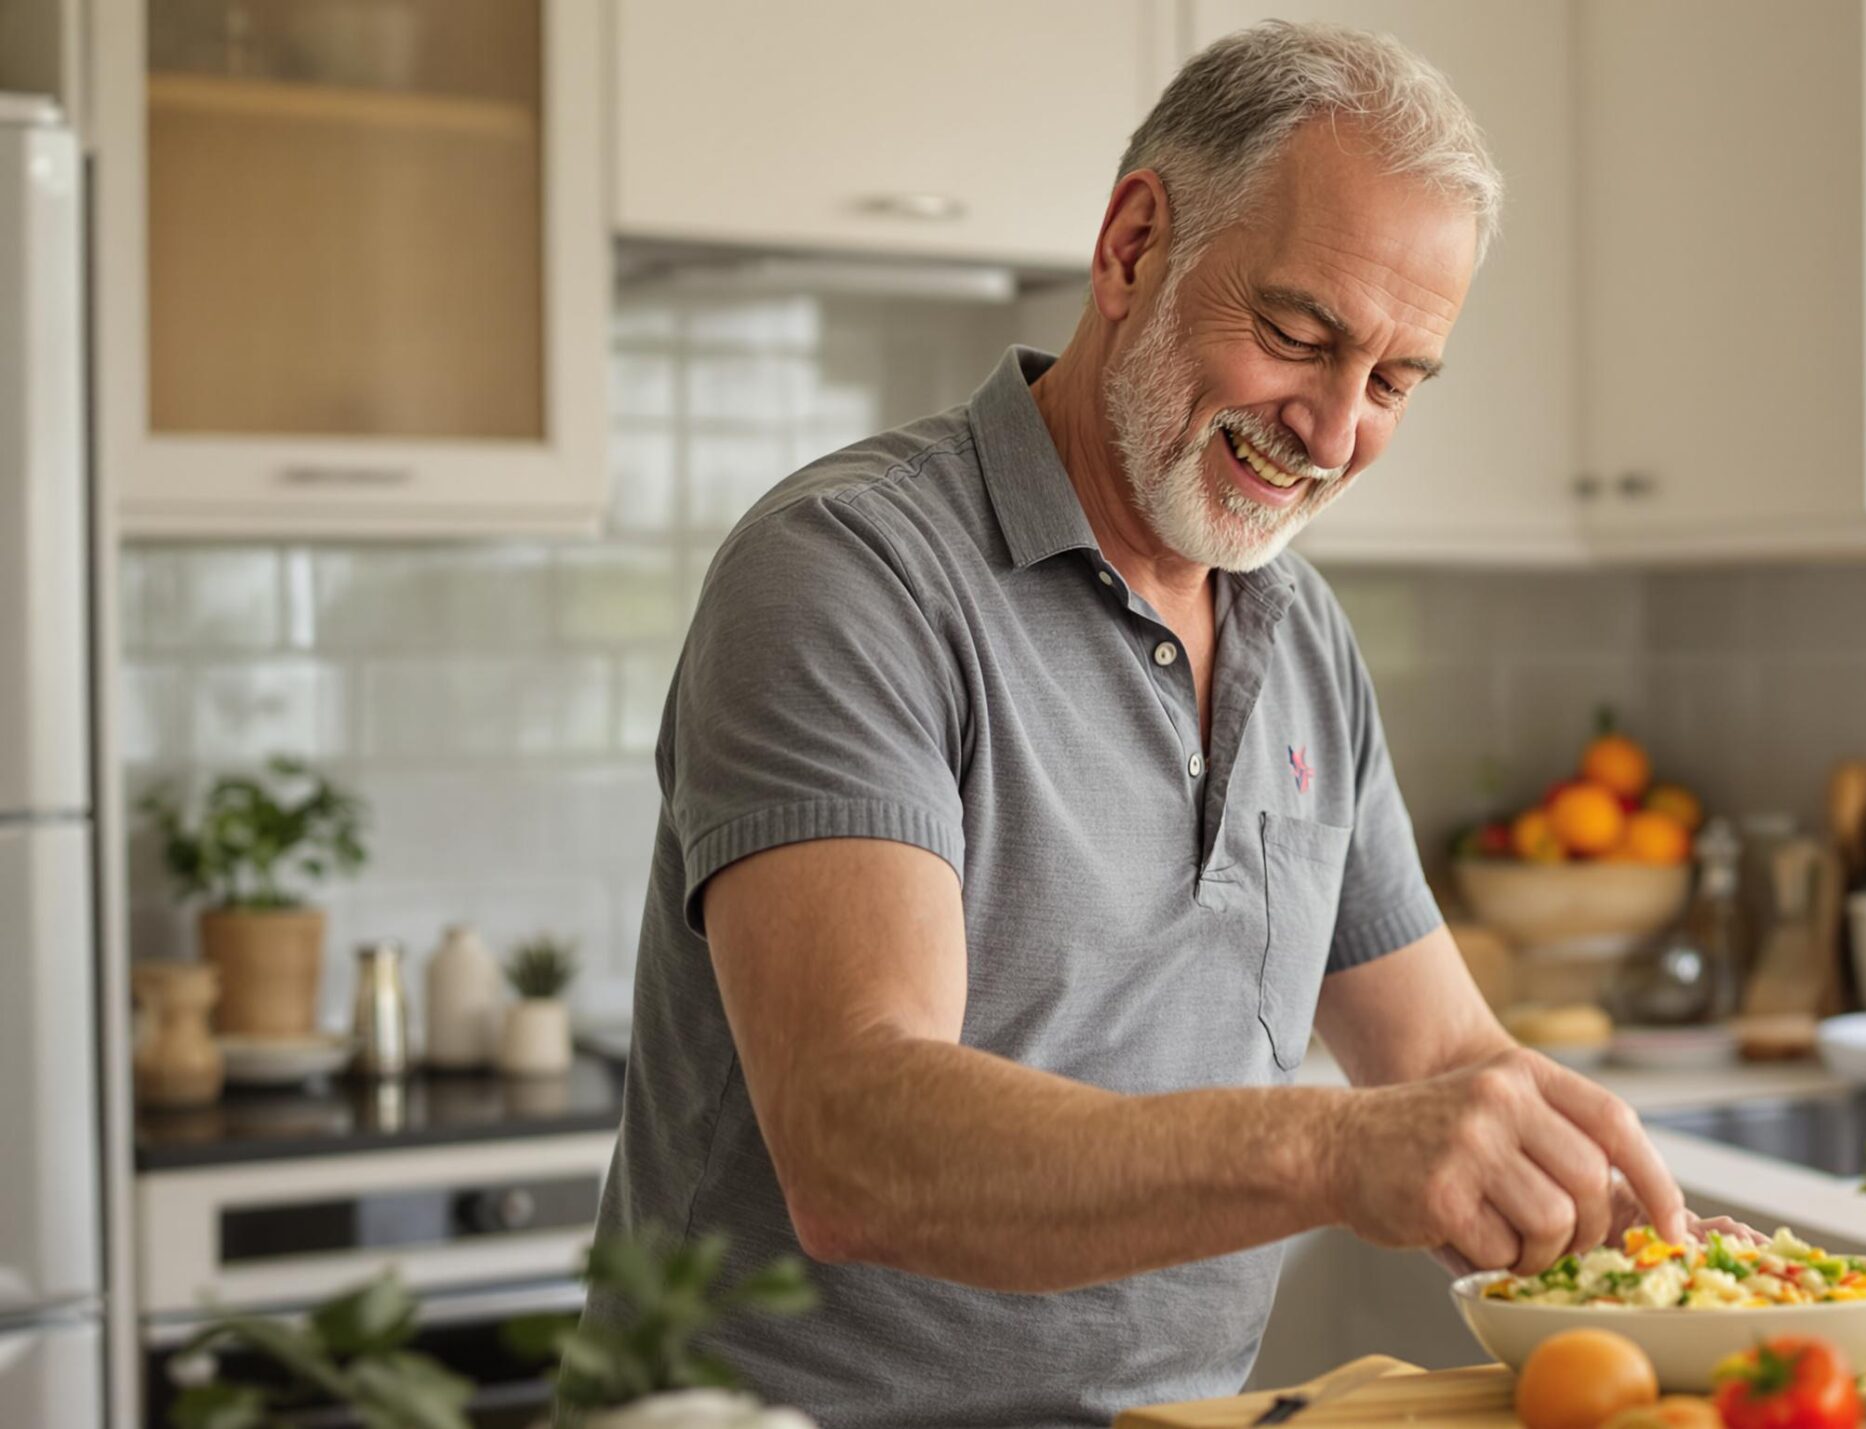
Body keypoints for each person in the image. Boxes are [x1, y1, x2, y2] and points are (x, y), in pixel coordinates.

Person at [594, 21, 1744, 1426]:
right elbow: (856, 1139)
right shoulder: (850, 572)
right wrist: (1335, 1149)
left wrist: (1674, 1263)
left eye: (1391, 383)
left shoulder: (1300, 633)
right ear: (1135, 244)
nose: (1329, 433)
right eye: (1299, 336)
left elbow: (1442, 1062)